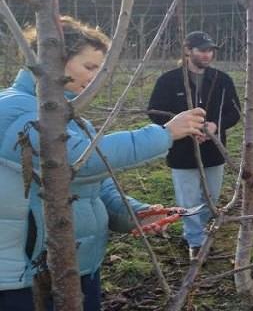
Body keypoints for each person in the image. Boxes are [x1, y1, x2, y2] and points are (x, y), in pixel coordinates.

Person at [0, 16, 206, 311]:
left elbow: (96, 183)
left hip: (77, 264)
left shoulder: (74, 118)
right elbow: (77, 161)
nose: (95, 77)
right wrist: (165, 134)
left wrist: (135, 213)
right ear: (53, 60)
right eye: (89, 67)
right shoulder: (12, 108)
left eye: (100, 68)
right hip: (25, 277)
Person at [148, 31, 240, 259]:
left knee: (212, 197)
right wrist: (183, 128)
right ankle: (195, 241)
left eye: (210, 50)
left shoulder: (222, 80)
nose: (207, 55)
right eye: (202, 50)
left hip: (213, 149)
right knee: (188, 199)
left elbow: (234, 112)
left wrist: (214, 127)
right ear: (188, 51)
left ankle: (197, 229)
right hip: (182, 150)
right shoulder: (168, 81)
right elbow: (154, 111)